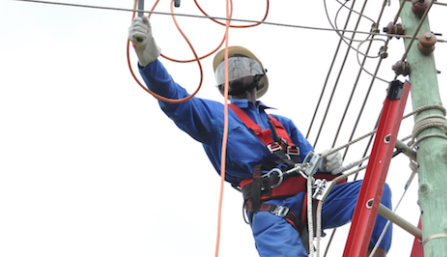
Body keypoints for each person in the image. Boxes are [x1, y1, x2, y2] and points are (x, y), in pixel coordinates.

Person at [128, 16, 392, 257]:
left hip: (309, 200)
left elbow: (310, 162)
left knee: (375, 191)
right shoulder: (215, 116)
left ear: (259, 75)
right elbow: (175, 100)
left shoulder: (282, 124)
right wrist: (149, 60)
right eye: (227, 70)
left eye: (242, 66)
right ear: (222, 84)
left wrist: (325, 163)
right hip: (269, 209)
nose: (235, 71)